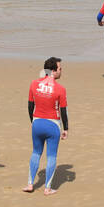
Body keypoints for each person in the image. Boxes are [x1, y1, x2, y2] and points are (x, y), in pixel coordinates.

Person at [26, 57, 68, 195]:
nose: (61, 71)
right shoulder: (60, 89)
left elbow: (30, 106)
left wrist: (33, 121)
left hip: (37, 123)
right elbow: (63, 111)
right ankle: (47, 188)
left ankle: (30, 184)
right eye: (60, 68)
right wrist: (66, 129)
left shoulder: (34, 84)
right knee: (51, 156)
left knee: (36, 153)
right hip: (52, 126)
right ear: (53, 71)